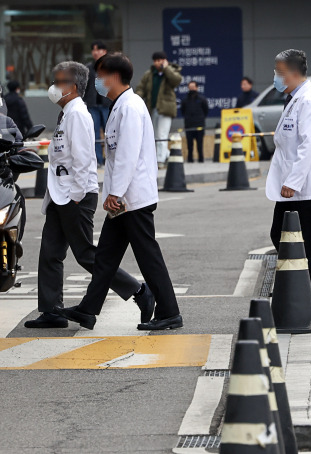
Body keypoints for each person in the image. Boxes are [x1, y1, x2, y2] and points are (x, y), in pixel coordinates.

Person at [56, 53, 182, 331]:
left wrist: (115, 193)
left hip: (132, 198)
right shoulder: (120, 105)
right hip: (122, 200)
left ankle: (170, 312)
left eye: (100, 76)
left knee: (148, 256)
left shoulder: (131, 107)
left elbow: (127, 155)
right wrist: (113, 194)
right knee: (105, 257)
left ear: (113, 77)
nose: (97, 82)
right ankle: (88, 310)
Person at [24, 61, 155, 329]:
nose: (53, 86)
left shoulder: (78, 115)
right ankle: (52, 310)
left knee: (86, 254)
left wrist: (76, 197)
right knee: (50, 253)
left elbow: (85, 161)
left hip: (75, 197)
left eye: (58, 81)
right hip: (60, 196)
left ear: (72, 88)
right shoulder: (66, 113)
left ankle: (140, 292)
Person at [266, 49, 311, 319]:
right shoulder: (295, 98)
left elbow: (307, 145)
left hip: (308, 187)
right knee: (281, 234)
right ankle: (306, 289)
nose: (275, 77)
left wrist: (294, 181)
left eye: (279, 72)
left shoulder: (309, 100)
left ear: (294, 73)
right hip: (294, 187)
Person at [135, 51, 182, 167]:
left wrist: (166, 68)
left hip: (165, 108)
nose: (157, 63)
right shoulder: (150, 74)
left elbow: (176, 80)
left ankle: (160, 160)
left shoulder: (171, 71)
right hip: (153, 108)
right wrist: (137, 98)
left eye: (160, 60)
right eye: (155, 60)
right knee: (155, 135)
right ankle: (165, 155)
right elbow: (141, 88)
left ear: (165, 60)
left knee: (162, 134)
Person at [83, 40, 110, 166]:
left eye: (98, 49)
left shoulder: (111, 66)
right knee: (93, 134)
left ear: (104, 52)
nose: (95, 52)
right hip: (92, 105)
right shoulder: (88, 68)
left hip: (107, 105)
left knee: (110, 133)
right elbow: (84, 87)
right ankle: (98, 160)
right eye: (93, 50)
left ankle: (111, 159)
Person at [181, 81, 209, 163]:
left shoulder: (202, 99)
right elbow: (183, 111)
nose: (192, 89)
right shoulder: (185, 100)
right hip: (189, 125)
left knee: (200, 144)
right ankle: (190, 159)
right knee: (189, 145)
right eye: (190, 87)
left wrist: (201, 119)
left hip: (199, 125)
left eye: (193, 87)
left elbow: (206, 110)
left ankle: (201, 159)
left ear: (197, 88)